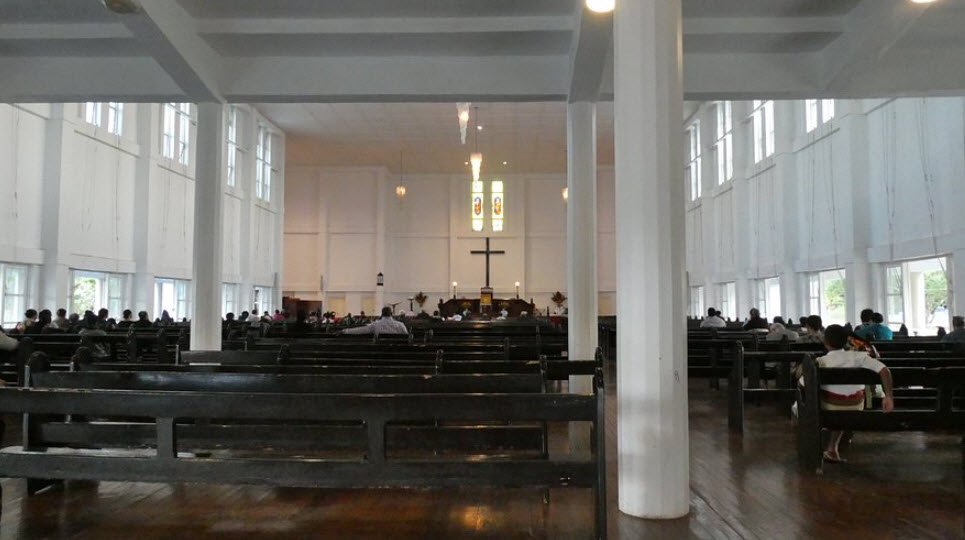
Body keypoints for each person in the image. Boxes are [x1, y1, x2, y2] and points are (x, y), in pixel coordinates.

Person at [816, 324, 894, 462]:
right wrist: (888, 397)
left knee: (808, 399)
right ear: (846, 340)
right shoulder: (860, 357)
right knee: (846, 401)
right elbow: (885, 370)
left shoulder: (821, 361)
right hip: (855, 404)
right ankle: (832, 448)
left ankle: (817, 447)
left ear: (825, 343)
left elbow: (804, 383)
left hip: (829, 407)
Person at [341, 307, 408, 335]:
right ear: (391, 314)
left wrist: (345, 331)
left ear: (381, 314)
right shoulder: (400, 325)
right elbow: (406, 336)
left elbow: (361, 330)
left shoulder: (375, 325)